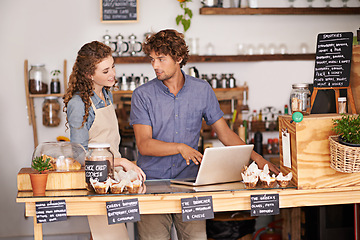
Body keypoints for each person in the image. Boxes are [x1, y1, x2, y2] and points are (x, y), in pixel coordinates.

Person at [130, 29, 279, 240]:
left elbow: (225, 134)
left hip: (192, 185)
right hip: (152, 186)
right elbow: (144, 144)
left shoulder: (202, 90)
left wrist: (259, 160)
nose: (155, 65)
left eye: (161, 59)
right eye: (152, 59)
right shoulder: (142, 95)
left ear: (179, 58)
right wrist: (180, 147)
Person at [63, 41, 146, 240]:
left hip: (114, 177)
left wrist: (121, 168)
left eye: (113, 66)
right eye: (106, 70)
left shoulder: (106, 94)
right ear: (89, 75)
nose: (113, 74)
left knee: (112, 235)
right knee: (110, 236)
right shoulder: (79, 103)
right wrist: (123, 162)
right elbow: (80, 155)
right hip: (98, 180)